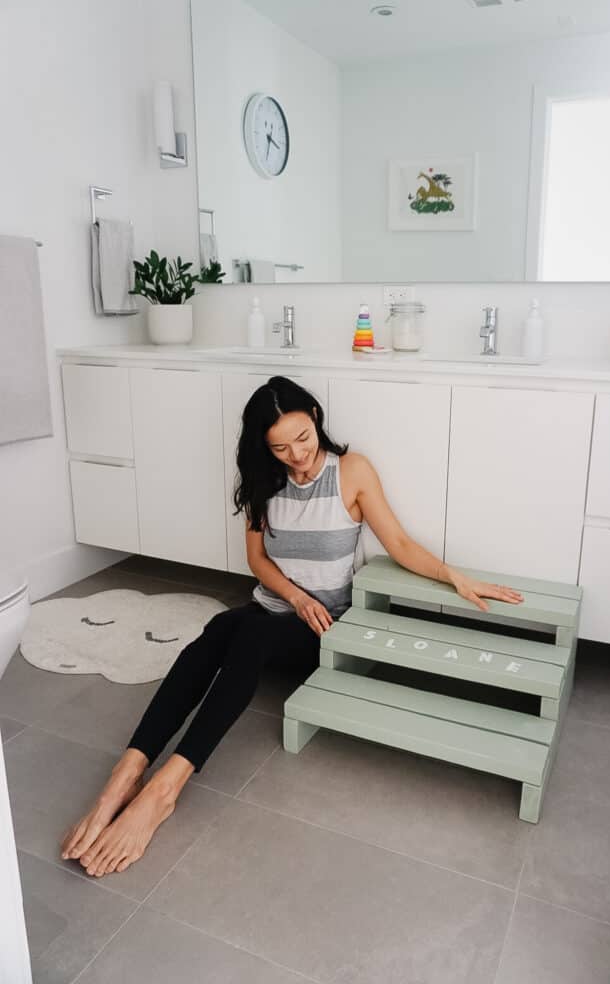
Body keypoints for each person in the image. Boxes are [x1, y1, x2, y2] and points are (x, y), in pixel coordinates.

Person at [60, 375, 523, 878]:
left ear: (317, 421)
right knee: (217, 630)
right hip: (278, 608)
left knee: (249, 636)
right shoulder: (265, 482)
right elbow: (258, 561)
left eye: (303, 438)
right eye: (281, 447)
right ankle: (126, 773)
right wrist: (295, 596)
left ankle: (165, 789)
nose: (297, 455)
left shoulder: (352, 471)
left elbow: (401, 546)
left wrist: (455, 577)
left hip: (325, 627)